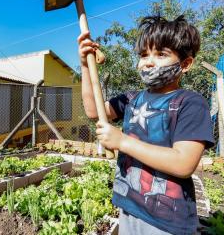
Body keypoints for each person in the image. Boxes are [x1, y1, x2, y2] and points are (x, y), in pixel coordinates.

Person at [77, 15, 214, 235]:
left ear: (186, 64)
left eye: (161, 54)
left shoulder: (190, 103)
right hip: (129, 207)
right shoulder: (133, 99)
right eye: (143, 54)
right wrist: (85, 66)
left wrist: (122, 141)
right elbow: (94, 110)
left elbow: (183, 163)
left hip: (167, 220)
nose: (148, 61)